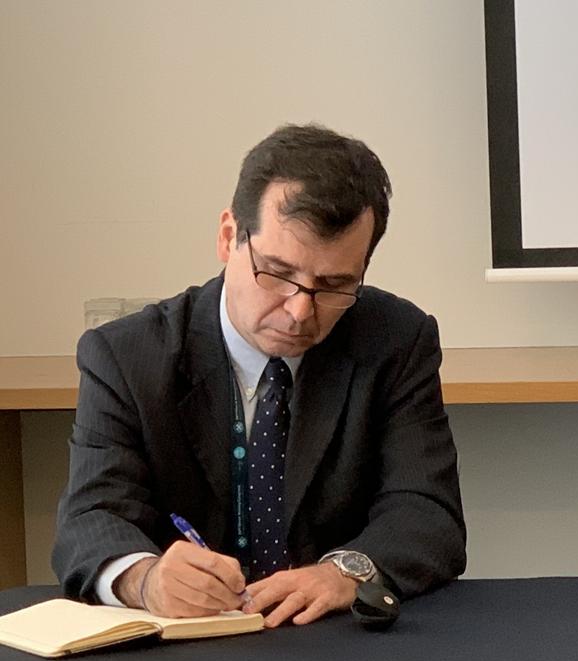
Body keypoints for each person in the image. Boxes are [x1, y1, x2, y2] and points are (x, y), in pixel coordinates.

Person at [53, 124, 467, 625]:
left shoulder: (396, 341)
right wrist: (145, 580)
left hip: (334, 639)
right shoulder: (126, 355)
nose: (299, 311)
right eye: (277, 272)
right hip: (187, 643)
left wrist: (344, 573)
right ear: (230, 237)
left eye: (334, 285)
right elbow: (91, 518)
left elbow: (427, 511)